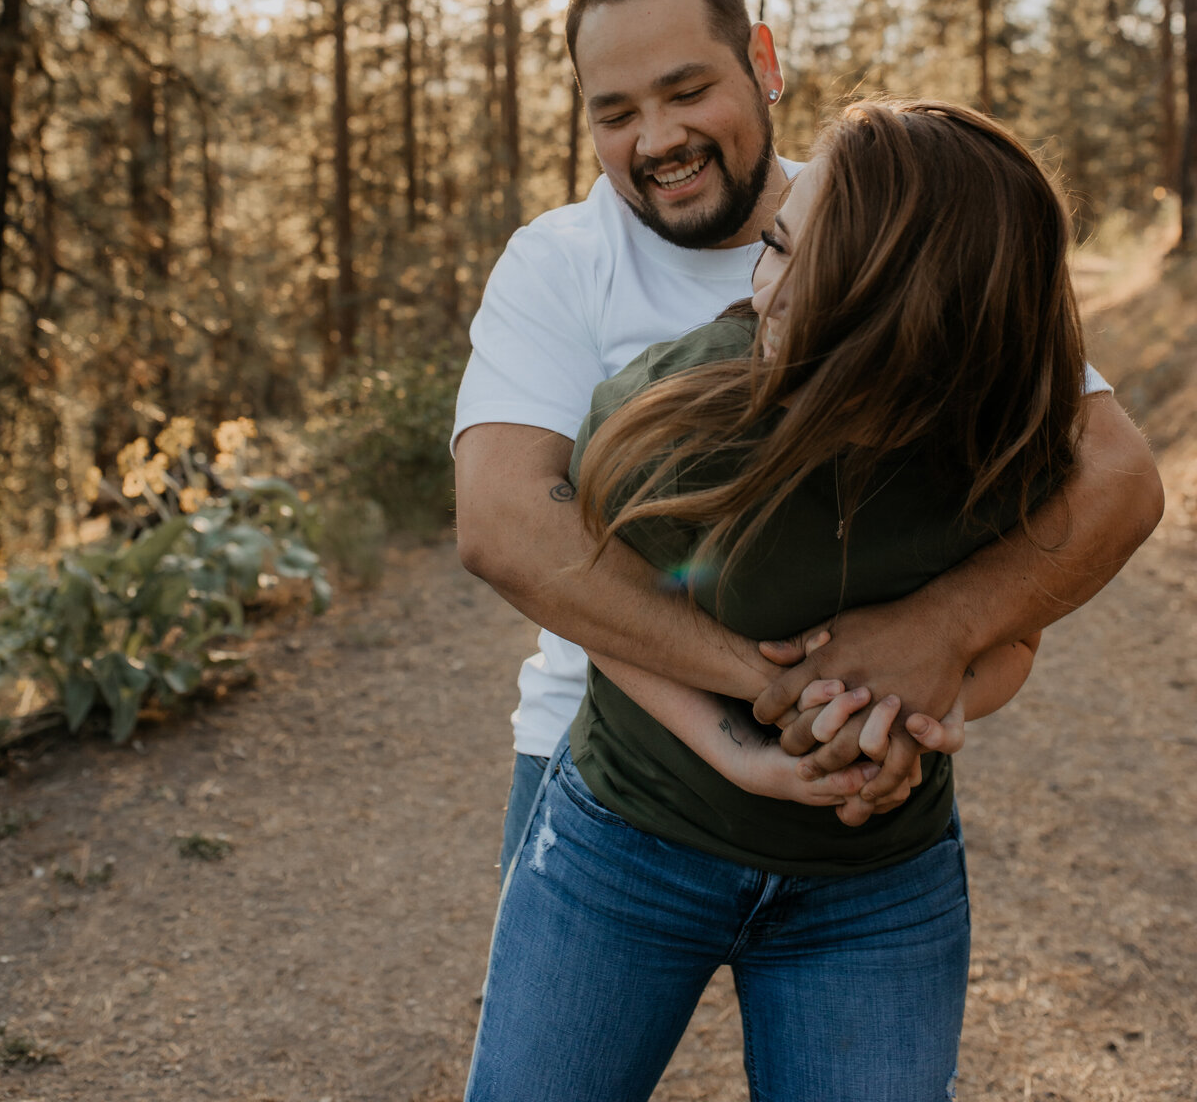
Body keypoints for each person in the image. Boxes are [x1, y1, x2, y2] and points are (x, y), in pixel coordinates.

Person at [463, 101, 1130, 1101]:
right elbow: (596, 615)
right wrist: (744, 745)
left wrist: (921, 715)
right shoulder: (672, 422)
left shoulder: (1006, 452)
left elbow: (1011, 634)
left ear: (919, 308)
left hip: (877, 888)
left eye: (809, 261)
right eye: (774, 243)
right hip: (634, 841)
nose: (766, 287)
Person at [453, 0, 1163, 870]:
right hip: (605, 769)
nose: (657, 139)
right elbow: (505, 524)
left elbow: (1115, 473)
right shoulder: (558, 262)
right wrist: (787, 692)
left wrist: (936, 635)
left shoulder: (896, 223)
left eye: (687, 90)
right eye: (615, 112)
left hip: (866, 802)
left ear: (763, 63)